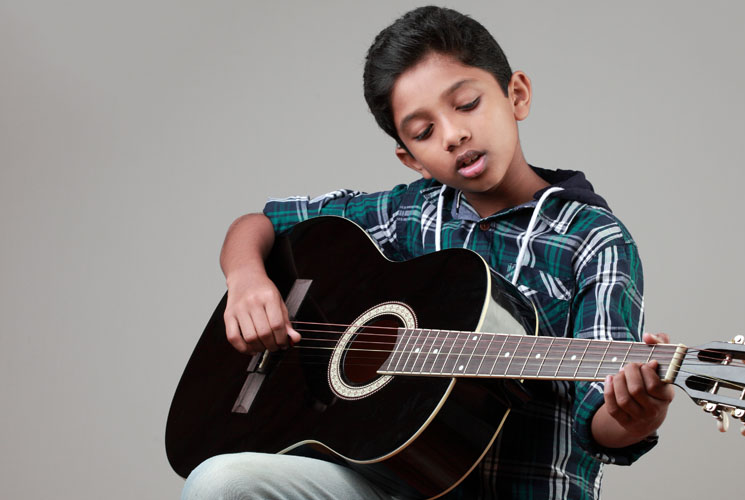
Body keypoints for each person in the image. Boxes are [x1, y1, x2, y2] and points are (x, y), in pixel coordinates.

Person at [183, 6, 674, 499]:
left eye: (466, 104)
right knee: (221, 484)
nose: (453, 134)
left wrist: (638, 410)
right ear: (411, 158)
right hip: (384, 483)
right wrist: (246, 281)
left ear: (516, 95)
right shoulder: (404, 213)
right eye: (423, 133)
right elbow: (259, 224)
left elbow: (605, 425)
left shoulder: (593, 239)